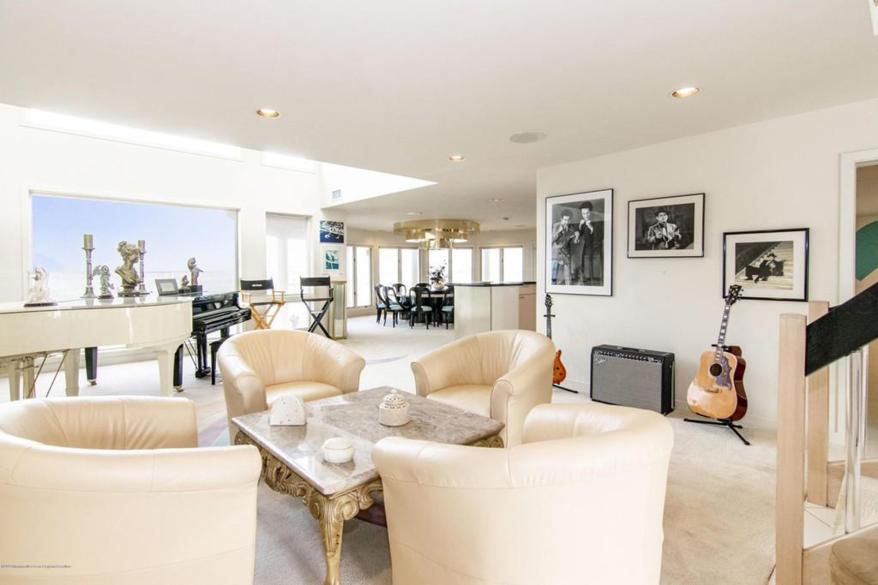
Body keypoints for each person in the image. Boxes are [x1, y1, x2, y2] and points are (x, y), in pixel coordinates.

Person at [572, 202, 603, 285]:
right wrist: (579, 227)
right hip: (586, 248)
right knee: (585, 267)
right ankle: (586, 283)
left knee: (596, 269)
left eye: (587, 213)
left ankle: (596, 284)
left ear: (591, 212)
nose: (585, 215)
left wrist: (591, 227)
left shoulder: (598, 220)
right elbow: (579, 233)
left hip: (596, 249)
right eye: (583, 213)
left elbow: (601, 236)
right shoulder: (582, 221)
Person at [551, 212, 575, 285]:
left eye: (568, 220)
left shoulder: (570, 228)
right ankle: (554, 289)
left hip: (565, 253)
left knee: (567, 275)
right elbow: (552, 240)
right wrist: (559, 231)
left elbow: (571, 241)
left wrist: (575, 236)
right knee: (555, 274)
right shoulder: (556, 226)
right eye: (564, 220)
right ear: (561, 219)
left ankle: (568, 289)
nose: (566, 222)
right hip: (556, 252)